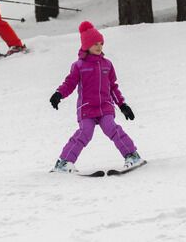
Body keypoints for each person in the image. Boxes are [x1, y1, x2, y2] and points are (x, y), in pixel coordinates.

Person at [49, 21, 143, 173]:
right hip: (87, 109)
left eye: (101, 43)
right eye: (95, 44)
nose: (99, 47)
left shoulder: (107, 65)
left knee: (112, 128)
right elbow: (69, 83)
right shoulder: (79, 66)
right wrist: (59, 94)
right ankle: (64, 163)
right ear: (86, 46)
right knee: (85, 132)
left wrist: (122, 105)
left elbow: (113, 87)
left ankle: (132, 155)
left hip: (105, 107)